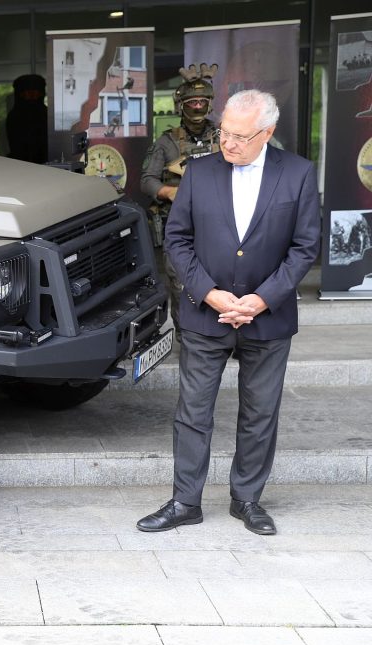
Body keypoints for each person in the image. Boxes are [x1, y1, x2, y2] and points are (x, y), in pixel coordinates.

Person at [136, 90, 320, 536]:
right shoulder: (198, 173)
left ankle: (247, 500)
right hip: (206, 315)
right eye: (224, 132)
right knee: (192, 412)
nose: (228, 143)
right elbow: (177, 240)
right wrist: (210, 293)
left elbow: (305, 247)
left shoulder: (297, 173)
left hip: (269, 317)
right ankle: (185, 501)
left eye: (240, 136)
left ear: (267, 133)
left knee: (260, 413)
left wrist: (262, 299)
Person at [141, 64, 221, 339]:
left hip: (221, 225)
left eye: (202, 101)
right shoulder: (167, 142)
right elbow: (147, 180)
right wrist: (170, 193)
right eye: (192, 101)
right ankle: (188, 335)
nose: (197, 107)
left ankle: (222, 333)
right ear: (181, 105)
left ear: (209, 103)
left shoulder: (226, 137)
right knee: (180, 282)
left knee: (221, 279)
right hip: (180, 224)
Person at [5, 74, 48, 164]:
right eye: (28, 92)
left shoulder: (47, 115)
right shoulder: (14, 117)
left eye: (35, 92)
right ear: (20, 94)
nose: (32, 95)